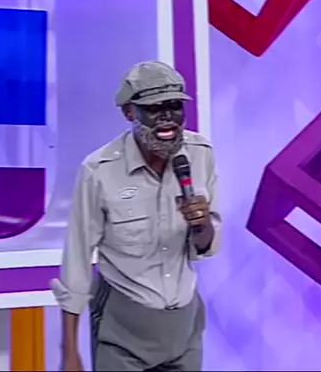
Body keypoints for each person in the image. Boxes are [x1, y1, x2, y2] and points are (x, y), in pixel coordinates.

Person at [50, 61, 222, 371]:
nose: (167, 117)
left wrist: (203, 224)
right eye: (155, 108)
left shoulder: (200, 154)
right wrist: (69, 352)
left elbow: (205, 246)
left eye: (174, 106)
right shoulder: (99, 170)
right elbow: (77, 261)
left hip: (184, 329)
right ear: (130, 112)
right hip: (123, 330)